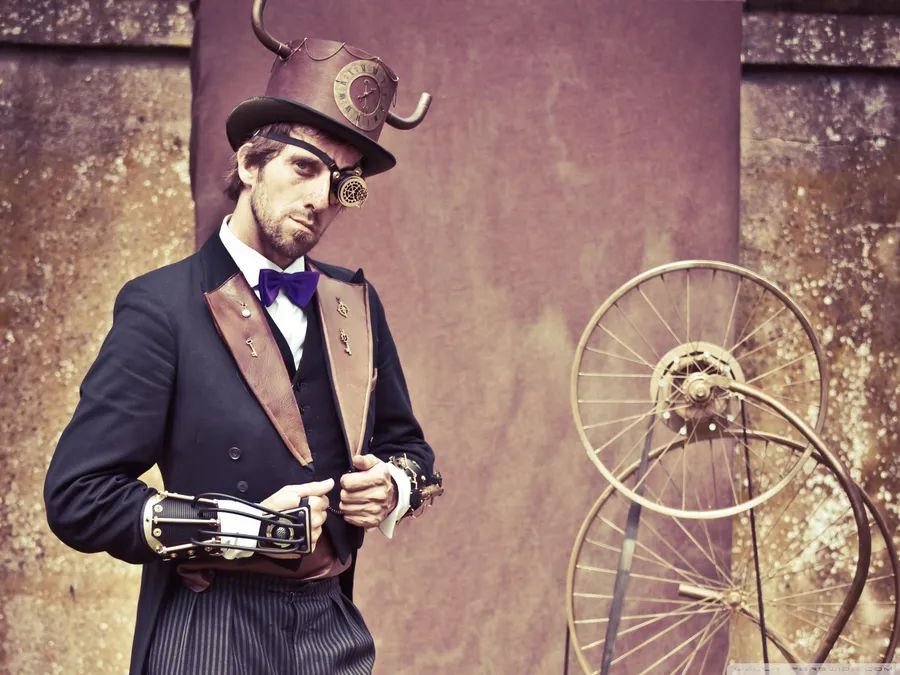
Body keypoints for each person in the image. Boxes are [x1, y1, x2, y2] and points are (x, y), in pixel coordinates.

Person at [43, 3, 442, 673]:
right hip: (212, 623)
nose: (323, 199)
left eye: (343, 185)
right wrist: (243, 527)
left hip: (331, 626)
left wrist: (394, 486)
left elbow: (409, 447)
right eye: (304, 167)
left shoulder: (355, 303)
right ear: (250, 163)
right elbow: (78, 495)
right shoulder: (160, 306)